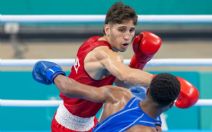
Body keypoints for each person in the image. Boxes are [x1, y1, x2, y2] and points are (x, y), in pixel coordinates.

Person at [43, 2, 163, 132]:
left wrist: (140, 60)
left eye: (131, 30)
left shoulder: (96, 44)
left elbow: (122, 83)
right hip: (69, 127)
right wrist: (168, 83)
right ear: (107, 30)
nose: (127, 36)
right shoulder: (103, 54)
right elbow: (125, 75)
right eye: (121, 29)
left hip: (88, 122)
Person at [33, 61, 199, 131]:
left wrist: (53, 74)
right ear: (171, 105)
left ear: (148, 91)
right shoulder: (145, 129)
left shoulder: (118, 95)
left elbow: (72, 89)